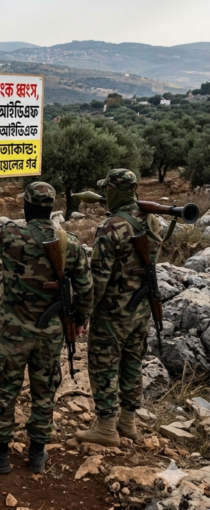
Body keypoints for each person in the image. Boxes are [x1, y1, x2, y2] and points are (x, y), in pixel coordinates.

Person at [0, 182, 93, 474]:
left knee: (5, 388)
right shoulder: (70, 242)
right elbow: (86, 288)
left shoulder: (10, 235)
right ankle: (38, 454)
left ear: (28, 207)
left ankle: (0, 453)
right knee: (44, 391)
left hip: (14, 334)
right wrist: (80, 320)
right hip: (50, 334)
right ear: (50, 207)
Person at [76, 169, 164, 447]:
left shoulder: (111, 227)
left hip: (113, 313)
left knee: (103, 367)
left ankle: (105, 428)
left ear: (115, 190)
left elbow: (98, 279)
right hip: (141, 308)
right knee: (132, 363)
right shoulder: (153, 221)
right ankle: (127, 422)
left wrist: (83, 314)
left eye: (107, 190)